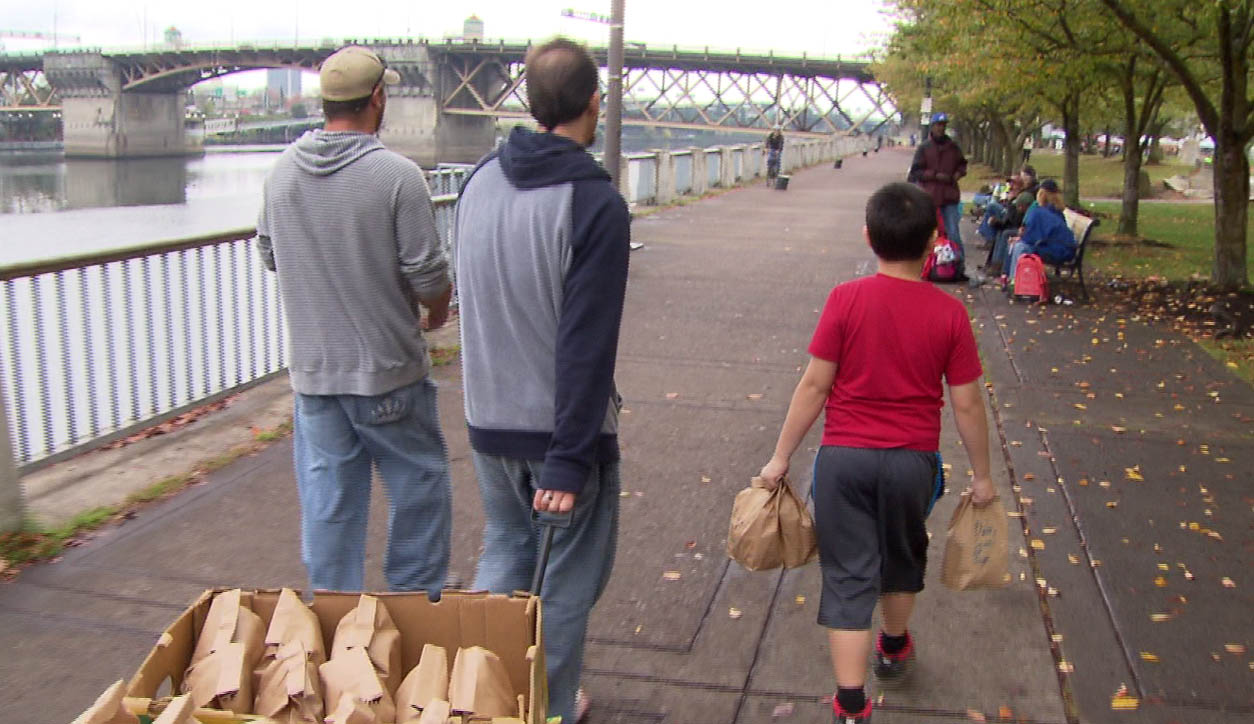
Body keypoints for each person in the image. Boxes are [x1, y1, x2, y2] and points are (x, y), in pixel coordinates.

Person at [758, 182, 996, 724]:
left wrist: (779, 458)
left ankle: (850, 704)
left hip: (843, 460)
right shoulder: (950, 314)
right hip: (913, 462)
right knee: (901, 557)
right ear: (935, 240)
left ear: (868, 237)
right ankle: (893, 647)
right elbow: (967, 407)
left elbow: (815, 386)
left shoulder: (845, 299)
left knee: (847, 576)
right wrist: (981, 477)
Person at [454, 37, 630, 724]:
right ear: (594, 103)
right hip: (560, 439)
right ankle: (547, 711)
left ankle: (477, 701)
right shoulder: (595, 205)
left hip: (487, 423)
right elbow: (587, 345)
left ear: (531, 102)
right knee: (565, 583)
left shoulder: (477, 182)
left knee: (504, 556)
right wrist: (569, 456)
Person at [256, 46, 454, 596]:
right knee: (418, 492)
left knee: (330, 511)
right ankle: (414, 611)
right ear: (378, 98)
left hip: (316, 379)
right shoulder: (397, 176)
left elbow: (270, 254)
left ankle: (336, 625)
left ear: (325, 103)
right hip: (389, 374)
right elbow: (428, 274)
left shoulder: (281, 175)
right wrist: (437, 314)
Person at [907, 112, 969, 279]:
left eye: (943, 125)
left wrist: (957, 174)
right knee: (926, 233)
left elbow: (963, 165)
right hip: (930, 196)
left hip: (949, 195)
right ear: (932, 127)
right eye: (938, 125)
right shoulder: (924, 148)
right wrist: (934, 175)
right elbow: (916, 171)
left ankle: (958, 267)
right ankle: (923, 266)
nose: (941, 128)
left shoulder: (953, 147)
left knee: (953, 232)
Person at [1005, 178, 1077, 287]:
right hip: (1064, 248)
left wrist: (1020, 238)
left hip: (1057, 250)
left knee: (1020, 247)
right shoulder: (1055, 210)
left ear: (1041, 194)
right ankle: (1013, 280)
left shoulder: (1039, 212)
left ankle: (1015, 282)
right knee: (1019, 245)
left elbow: (1032, 236)